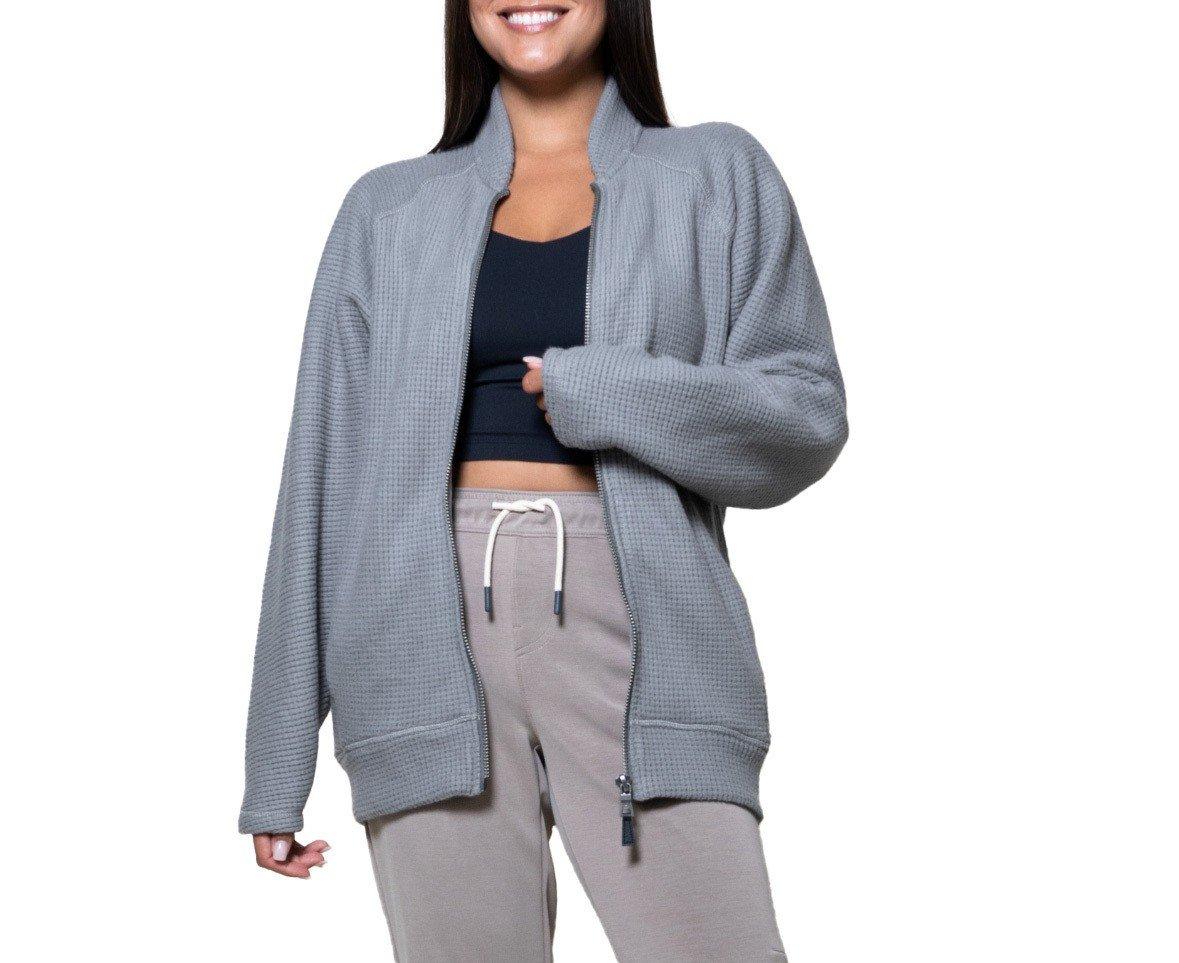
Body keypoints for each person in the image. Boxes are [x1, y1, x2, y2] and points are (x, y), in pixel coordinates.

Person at [240, 0, 848, 958]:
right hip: (414, 640)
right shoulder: (387, 209)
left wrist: (607, 390)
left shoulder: (715, 174)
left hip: (643, 634)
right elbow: (317, 479)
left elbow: (805, 416)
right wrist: (277, 761)